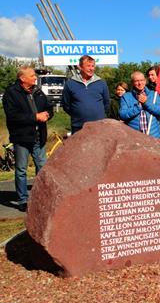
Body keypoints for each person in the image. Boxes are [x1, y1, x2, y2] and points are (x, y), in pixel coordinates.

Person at [2, 66, 53, 211]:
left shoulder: (38, 91)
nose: (35, 78)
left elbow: (49, 107)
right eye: (31, 76)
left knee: (42, 168)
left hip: (39, 137)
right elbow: (13, 116)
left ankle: (41, 197)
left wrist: (48, 114)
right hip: (22, 138)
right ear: (22, 78)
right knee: (21, 170)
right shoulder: (11, 93)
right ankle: (23, 200)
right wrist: (35, 117)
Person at [61, 55, 109, 134]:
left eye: (93, 66)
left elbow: (106, 104)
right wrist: (77, 114)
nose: (91, 68)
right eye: (88, 66)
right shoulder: (70, 83)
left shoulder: (101, 83)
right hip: (78, 126)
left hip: (99, 126)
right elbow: (66, 105)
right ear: (80, 67)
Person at [119, 71, 160, 138]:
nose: (140, 83)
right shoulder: (126, 97)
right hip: (135, 137)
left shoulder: (154, 95)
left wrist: (146, 103)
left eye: (141, 80)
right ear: (132, 83)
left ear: (145, 81)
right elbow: (122, 115)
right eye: (136, 81)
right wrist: (138, 107)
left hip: (153, 136)